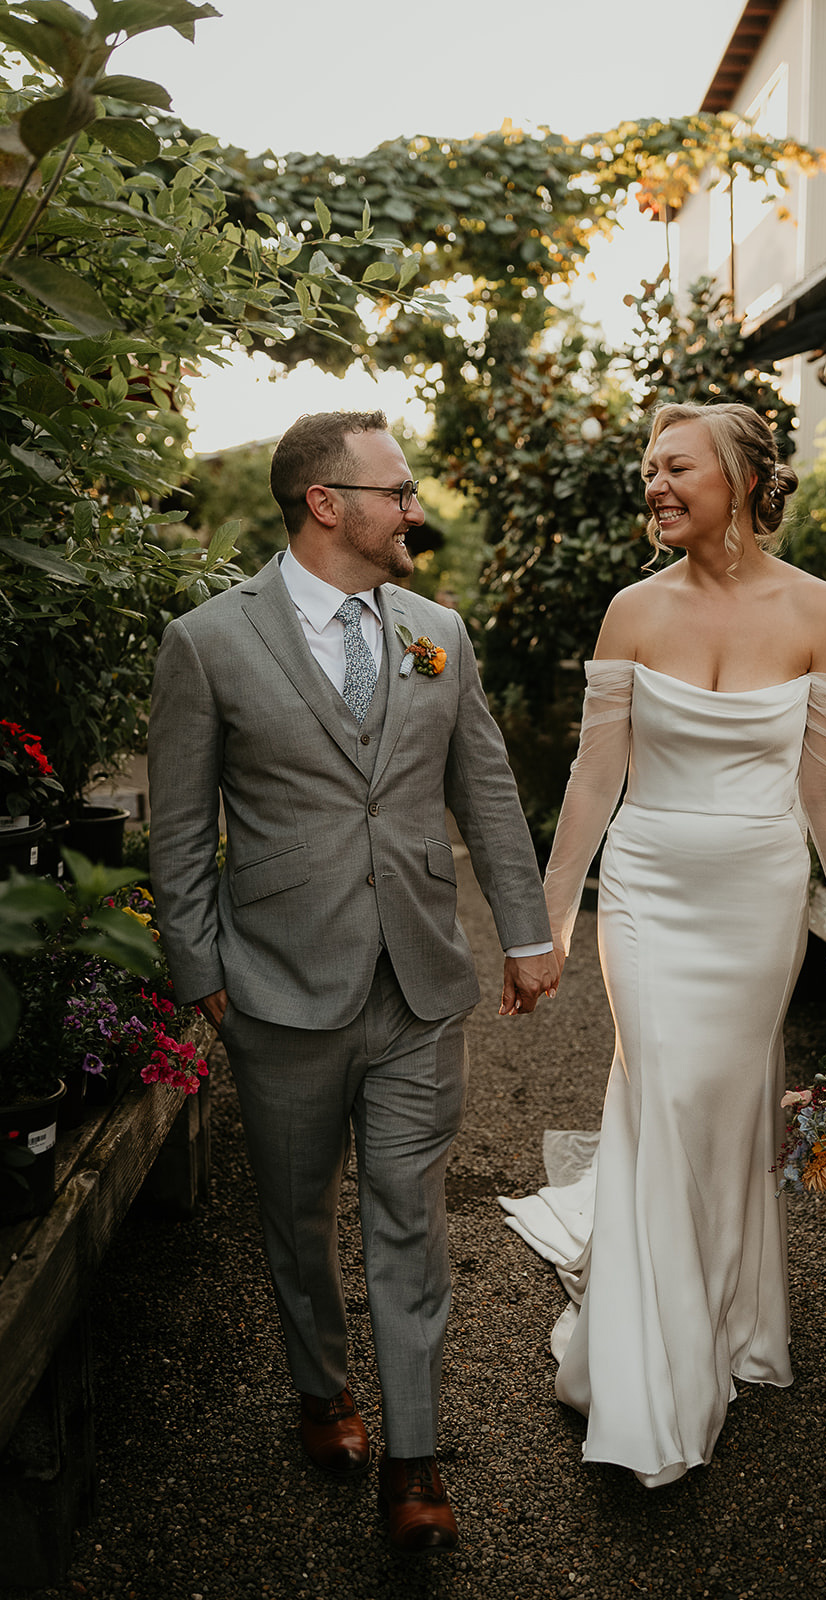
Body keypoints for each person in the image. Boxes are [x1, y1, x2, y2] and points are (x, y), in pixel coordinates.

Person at [148, 410, 558, 1552]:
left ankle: (416, 1460)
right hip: (276, 985)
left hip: (418, 979)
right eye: (398, 490)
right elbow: (180, 827)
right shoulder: (208, 641)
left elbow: (484, 788)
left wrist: (525, 932)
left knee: (409, 1217)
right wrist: (199, 969)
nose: (412, 508)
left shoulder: (437, 632)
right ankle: (323, 1386)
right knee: (293, 1216)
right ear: (326, 502)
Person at [501, 401, 826, 1487]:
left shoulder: (819, 610)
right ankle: (650, 1384)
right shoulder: (629, 610)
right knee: (662, 1092)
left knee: (723, 1107)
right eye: (648, 471)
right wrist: (548, 919)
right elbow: (593, 775)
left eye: (674, 467)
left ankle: (722, 1317)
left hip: (757, 893)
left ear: (736, 474)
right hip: (648, 884)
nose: (655, 486)